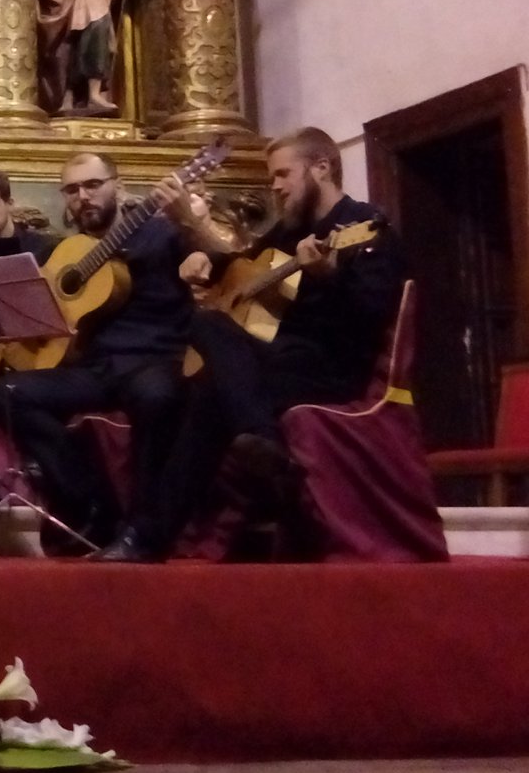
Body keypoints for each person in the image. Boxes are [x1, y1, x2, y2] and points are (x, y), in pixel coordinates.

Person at [121, 128, 406, 562]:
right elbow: (244, 266)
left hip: (331, 367)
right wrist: (206, 260)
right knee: (208, 333)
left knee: (209, 385)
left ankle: (149, 537)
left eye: (283, 174)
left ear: (322, 168)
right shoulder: (290, 230)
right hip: (277, 362)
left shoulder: (365, 227)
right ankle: (259, 450)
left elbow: (372, 314)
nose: (274, 186)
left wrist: (329, 277)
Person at [0, 152, 193, 559]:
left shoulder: (161, 234)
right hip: (94, 367)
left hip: (151, 359)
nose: (83, 196)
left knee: (157, 396)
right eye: (72, 190)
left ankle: (143, 533)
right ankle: (93, 502)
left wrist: (193, 228)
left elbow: (215, 260)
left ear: (118, 185)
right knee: (4, 392)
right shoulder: (68, 252)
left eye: (93, 185)